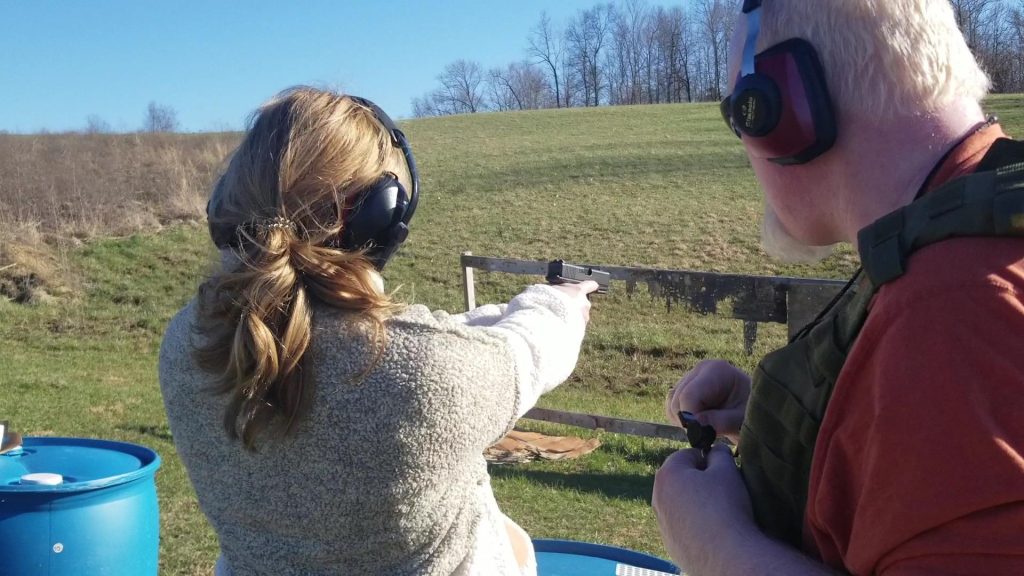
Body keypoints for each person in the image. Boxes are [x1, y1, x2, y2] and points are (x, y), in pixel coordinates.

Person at [159, 87, 597, 576]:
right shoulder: (428, 375)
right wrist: (560, 302)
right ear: (381, 216)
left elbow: (341, 346)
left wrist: (485, 317)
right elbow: (530, 350)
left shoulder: (186, 344)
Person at [654, 1, 1024, 574]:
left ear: (782, 112)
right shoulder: (966, 243)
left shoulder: (954, 309)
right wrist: (826, 423)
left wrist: (712, 542)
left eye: (740, 114)